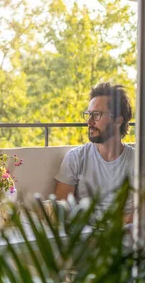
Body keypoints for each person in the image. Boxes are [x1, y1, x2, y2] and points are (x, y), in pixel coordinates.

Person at [54, 82, 134, 222]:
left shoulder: (138, 161)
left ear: (118, 120)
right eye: (88, 115)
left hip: (123, 238)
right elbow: (61, 209)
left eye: (96, 115)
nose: (89, 122)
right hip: (84, 238)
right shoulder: (75, 158)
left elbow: (144, 213)